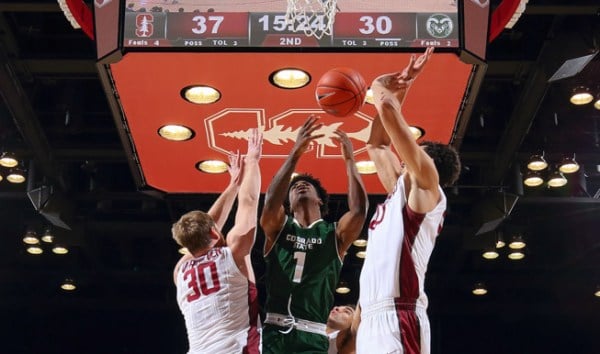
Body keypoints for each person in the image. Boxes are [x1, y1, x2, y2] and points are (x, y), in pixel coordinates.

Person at [356, 47, 461, 354]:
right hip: (373, 319)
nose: (402, 157)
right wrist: (403, 86)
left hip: (399, 314)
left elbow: (387, 112)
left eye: (413, 155)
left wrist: (381, 86)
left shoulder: (427, 188)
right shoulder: (398, 194)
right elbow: (376, 144)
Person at [260, 115, 368, 353]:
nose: (300, 185)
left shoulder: (334, 234)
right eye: (294, 188)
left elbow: (359, 211)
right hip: (274, 333)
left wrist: (350, 160)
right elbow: (269, 205)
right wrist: (295, 154)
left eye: (308, 185)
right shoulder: (279, 228)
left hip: (312, 335)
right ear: (287, 203)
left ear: (320, 199)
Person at [172, 129, 263, 354]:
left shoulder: (180, 270)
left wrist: (232, 186)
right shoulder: (233, 250)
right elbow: (249, 201)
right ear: (214, 233)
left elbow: (202, 230)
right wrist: (252, 161)